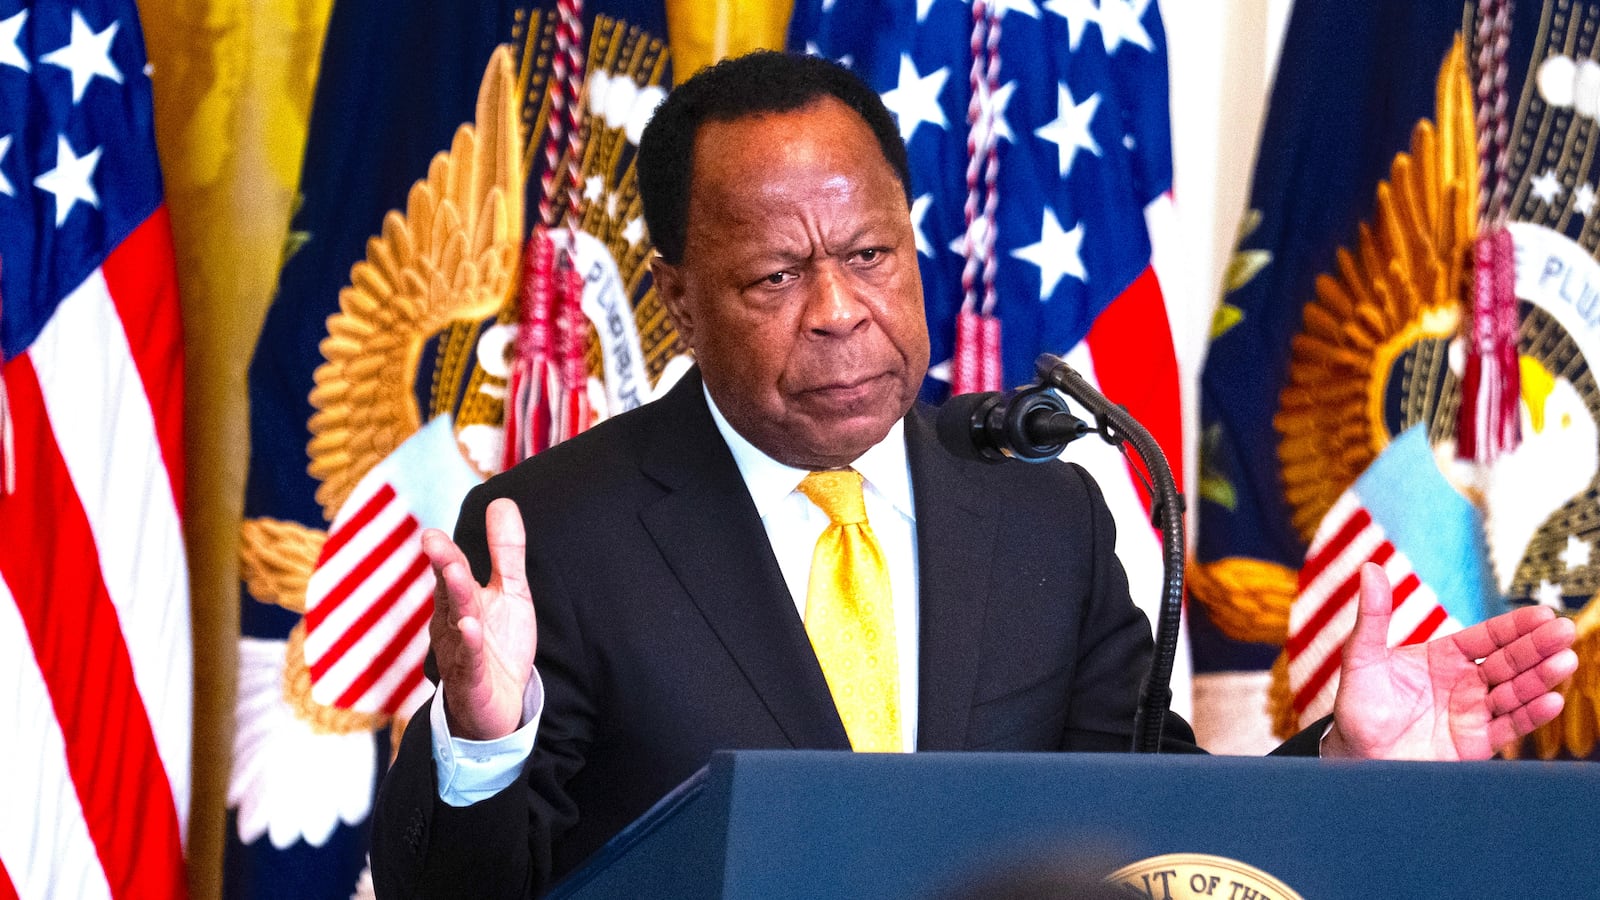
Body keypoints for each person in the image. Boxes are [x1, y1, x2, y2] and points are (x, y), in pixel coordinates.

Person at [370, 51, 1578, 898]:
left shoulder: (1041, 512)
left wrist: (1343, 764)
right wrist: (480, 742)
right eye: (775, 278)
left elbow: (1145, 828)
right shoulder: (560, 536)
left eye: (871, 254)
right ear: (680, 301)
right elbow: (459, 893)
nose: (842, 312)